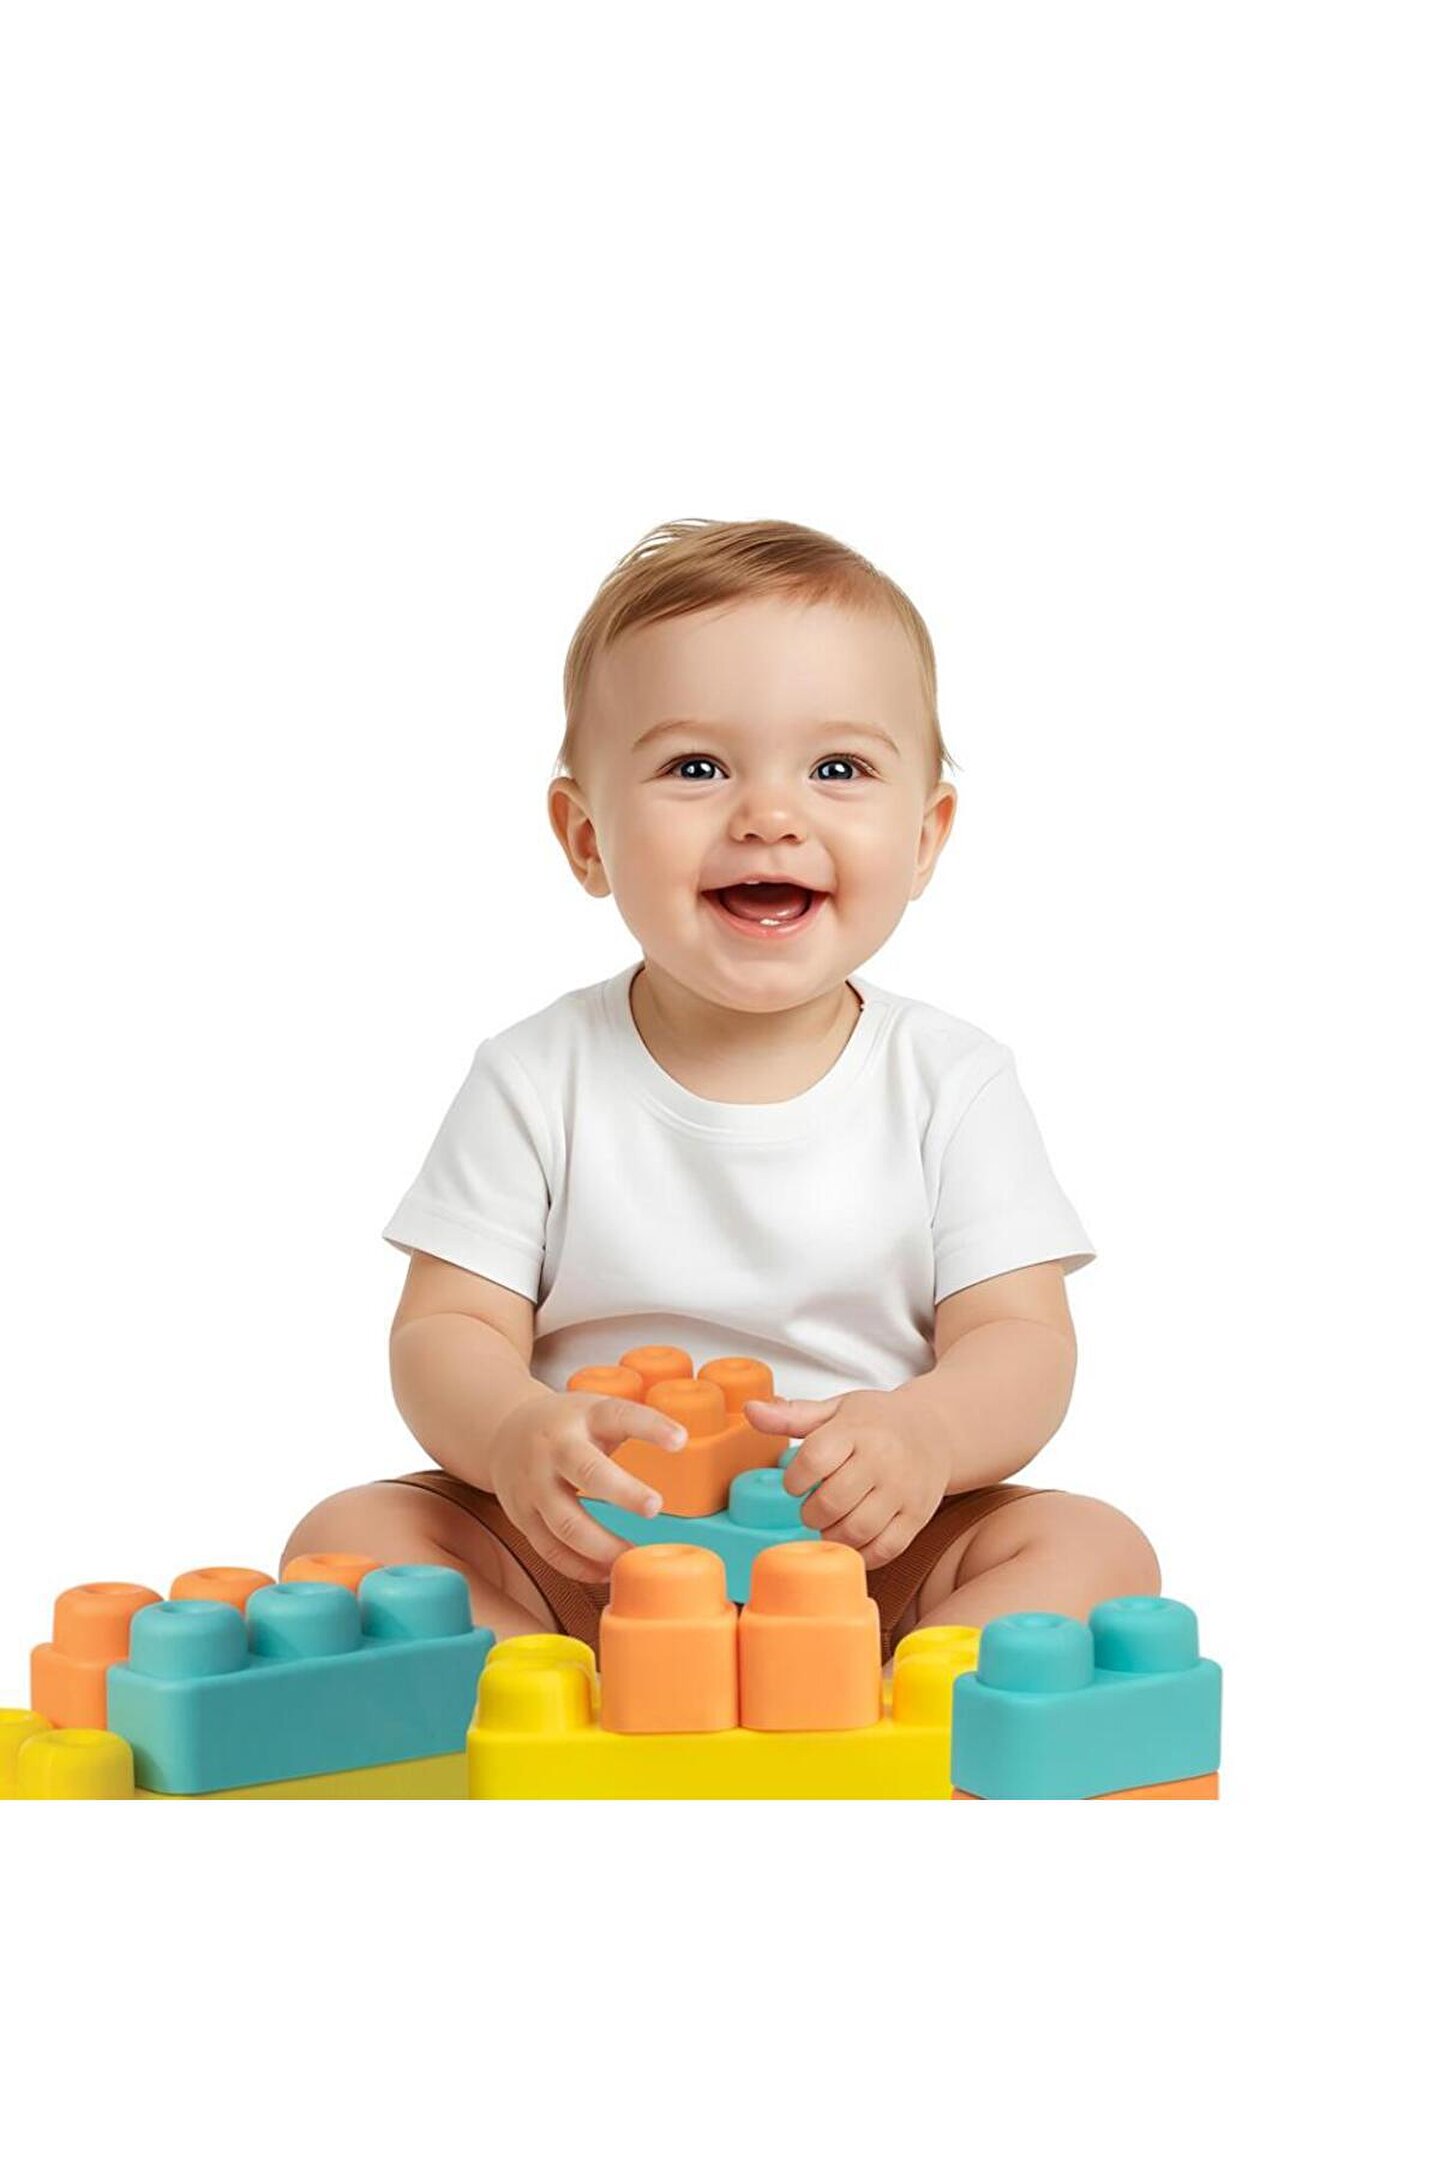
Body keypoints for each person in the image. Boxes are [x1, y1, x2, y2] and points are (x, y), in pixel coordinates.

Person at [281, 518, 1160, 1666]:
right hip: (587, 1547)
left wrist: (927, 1436)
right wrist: (513, 1431)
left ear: (926, 836)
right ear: (585, 836)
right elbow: (446, 1328)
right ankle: (555, 1690)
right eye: (696, 768)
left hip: (865, 1554)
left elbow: (1022, 1340)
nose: (769, 815)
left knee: (1096, 1547)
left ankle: (885, 1696)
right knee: (349, 1537)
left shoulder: (951, 1081)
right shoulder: (536, 1076)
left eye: (838, 769)